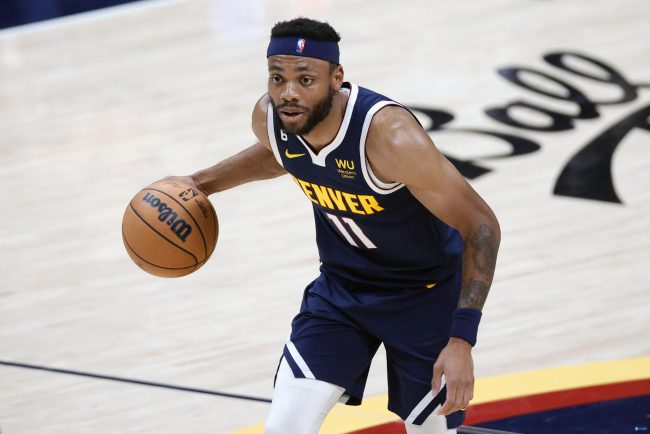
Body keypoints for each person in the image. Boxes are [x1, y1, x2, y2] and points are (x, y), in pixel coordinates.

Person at [170, 17, 500, 434]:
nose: (288, 93)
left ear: (337, 77)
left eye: (305, 79)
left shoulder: (390, 138)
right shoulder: (271, 119)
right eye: (277, 78)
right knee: (285, 428)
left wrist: (462, 339)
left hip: (423, 297)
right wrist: (199, 183)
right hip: (341, 291)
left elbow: (481, 225)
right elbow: (280, 155)